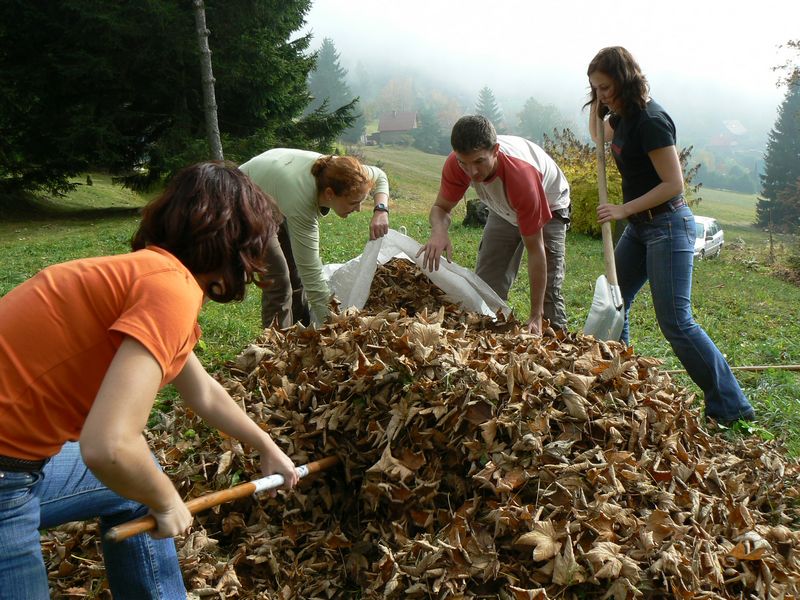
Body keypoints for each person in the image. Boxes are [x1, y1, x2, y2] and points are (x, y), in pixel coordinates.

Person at [0, 161, 300, 599]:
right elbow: (110, 446)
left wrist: (267, 447)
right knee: (143, 484)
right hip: (6, 476)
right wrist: (164, 499)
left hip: (18, 461)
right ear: (235, 244)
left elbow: (203, 390)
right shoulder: (169, 292)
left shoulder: (150, 274)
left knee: (133, 489)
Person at [585, 46, 755, 425]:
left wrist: (623, 209)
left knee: (675, 321)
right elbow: (599, 133)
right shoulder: (621, 115)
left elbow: (673, 184)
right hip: (641, 228)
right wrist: (599, 106)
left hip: (667, 224)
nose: (603, 94)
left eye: (607, 87)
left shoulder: (651, 120)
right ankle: (620, 379)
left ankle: (731, 406)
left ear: (626, 80)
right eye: (596, 88)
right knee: (617, 302)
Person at [417, 115, 571, 334]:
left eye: (479, 161)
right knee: (486, 286)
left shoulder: (522, 177)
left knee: (548, 298)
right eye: (464, 163)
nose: (472, 172)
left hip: (548, 202)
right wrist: (439, 231)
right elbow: (440, 208)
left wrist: (535, 315)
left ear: (495, 150)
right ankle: (494, 340)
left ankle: (555, 341)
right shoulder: (456, 164)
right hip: (502, 206)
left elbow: (536, 252)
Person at [240, 149, 391, 328]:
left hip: (275, 185)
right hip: (243, 197)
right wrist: (336, 325)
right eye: (353, 202)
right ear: (329, 194)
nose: (358, 209)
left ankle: (301, 334)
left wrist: (381, 210)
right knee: (278, 280)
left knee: (294, 274)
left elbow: (380, 176)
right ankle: (275, 347)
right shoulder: (301, 201)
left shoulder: (349, 173)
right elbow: (311, 274)